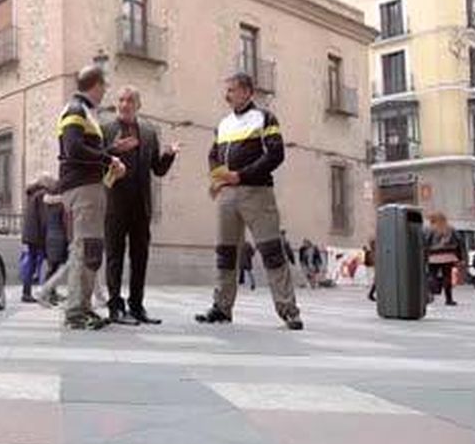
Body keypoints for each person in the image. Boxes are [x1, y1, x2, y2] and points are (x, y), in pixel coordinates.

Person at [196, 72, 303, 330]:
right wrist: (219, 178)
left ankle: (289, 310)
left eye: (231, 90)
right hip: (227, 195)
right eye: (227, 90)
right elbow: (213, 155)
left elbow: (276, 154)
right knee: (225, 253)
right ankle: (222, 307)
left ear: (247, 92)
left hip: (257, 192)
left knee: (272, 252)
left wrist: (240, 175)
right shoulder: (222, 124)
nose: (227, 95)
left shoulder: (265, 118)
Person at [56, 65, 125, 330]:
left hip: (87, 185)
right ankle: (76, 312)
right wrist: (109, 157)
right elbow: (73, 148)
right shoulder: (75, 109)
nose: (105, 90)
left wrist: (109, 152)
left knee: (89, 248)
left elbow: (81, 148)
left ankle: (82, 307)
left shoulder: (82, 111)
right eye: (104, 86)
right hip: (83, 187)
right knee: (86, 248)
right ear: (96, 84)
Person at [102, 86, 178, 325]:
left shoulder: (148, 132)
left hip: (141, 205)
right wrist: (113, 150)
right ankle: (114, 306)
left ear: (138, 105)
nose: (125, 104)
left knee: (140, 257)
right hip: (114, 204)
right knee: (114, 256)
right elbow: (96, 161)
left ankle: (137, 306)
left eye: (130, 100)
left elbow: (157, 169)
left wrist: (168, 155)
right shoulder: (106, 129)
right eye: (121, 99)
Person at [19, 175, 53, 303]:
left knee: (32, 263)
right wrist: (47, 234)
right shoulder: (42, 194)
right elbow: (44, 218)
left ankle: (27, 291)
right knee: (50, 262)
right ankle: (44, 291)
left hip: (29, 233)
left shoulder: (32, 194)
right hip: (37, 235)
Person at [424, 212, 463, 306]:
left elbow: (425, 242)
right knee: (447, 277)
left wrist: (425, 255)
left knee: (432, 275)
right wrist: (460, 256)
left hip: (434, 256)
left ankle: (430, 294)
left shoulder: (430, 229)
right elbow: (459, 241)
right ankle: (449, 299)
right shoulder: (451, 228)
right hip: (448, 255)